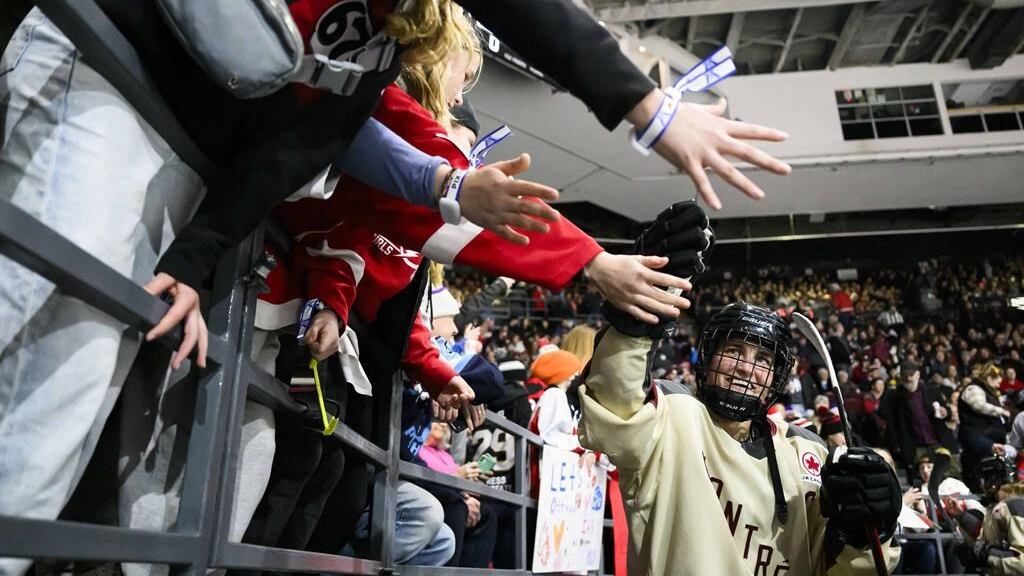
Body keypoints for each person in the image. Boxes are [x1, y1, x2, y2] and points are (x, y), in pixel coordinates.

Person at [577, 201, 902, 575]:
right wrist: (634, 317)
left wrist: (868, 534)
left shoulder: (807, 451)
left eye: (763, 359)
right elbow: (615, 407)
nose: (747, 367)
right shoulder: (672, 414)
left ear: (777, 377)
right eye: (733, 351)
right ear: (708, 360)